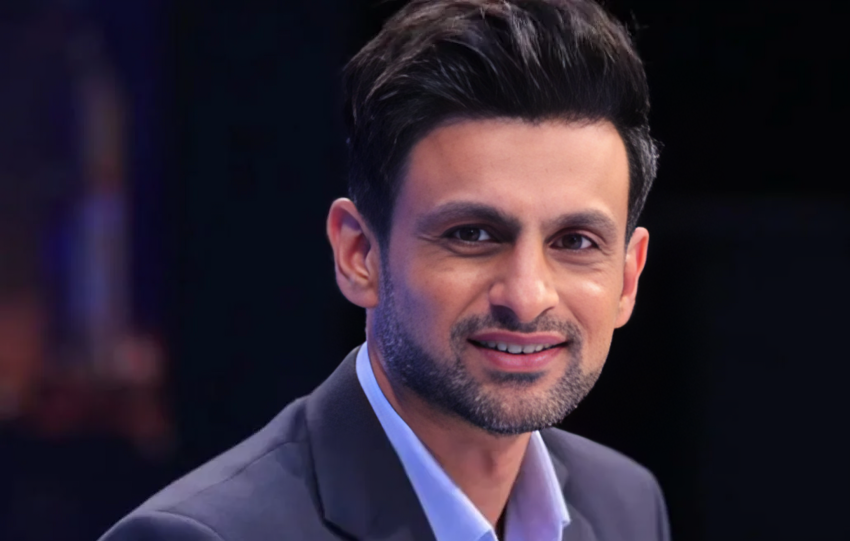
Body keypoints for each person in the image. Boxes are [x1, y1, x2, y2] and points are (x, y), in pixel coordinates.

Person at [101, 0, 666, 539]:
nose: (526, 296)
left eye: (575, 241)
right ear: (359, 255)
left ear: (628, 277)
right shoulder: (199, 536)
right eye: (471, 235)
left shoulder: (626, 504)